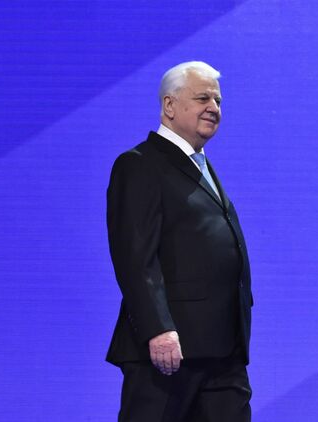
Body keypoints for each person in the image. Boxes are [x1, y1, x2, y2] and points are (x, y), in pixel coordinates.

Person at [106, 61, 253, 422]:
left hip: (223, 350)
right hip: (170, 352)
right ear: (169, 106)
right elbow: (135, 256)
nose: (214, 108)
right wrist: (158, 329)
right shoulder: (140, 164)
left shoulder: (200, 164)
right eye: (203, 98)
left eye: (218, 101)